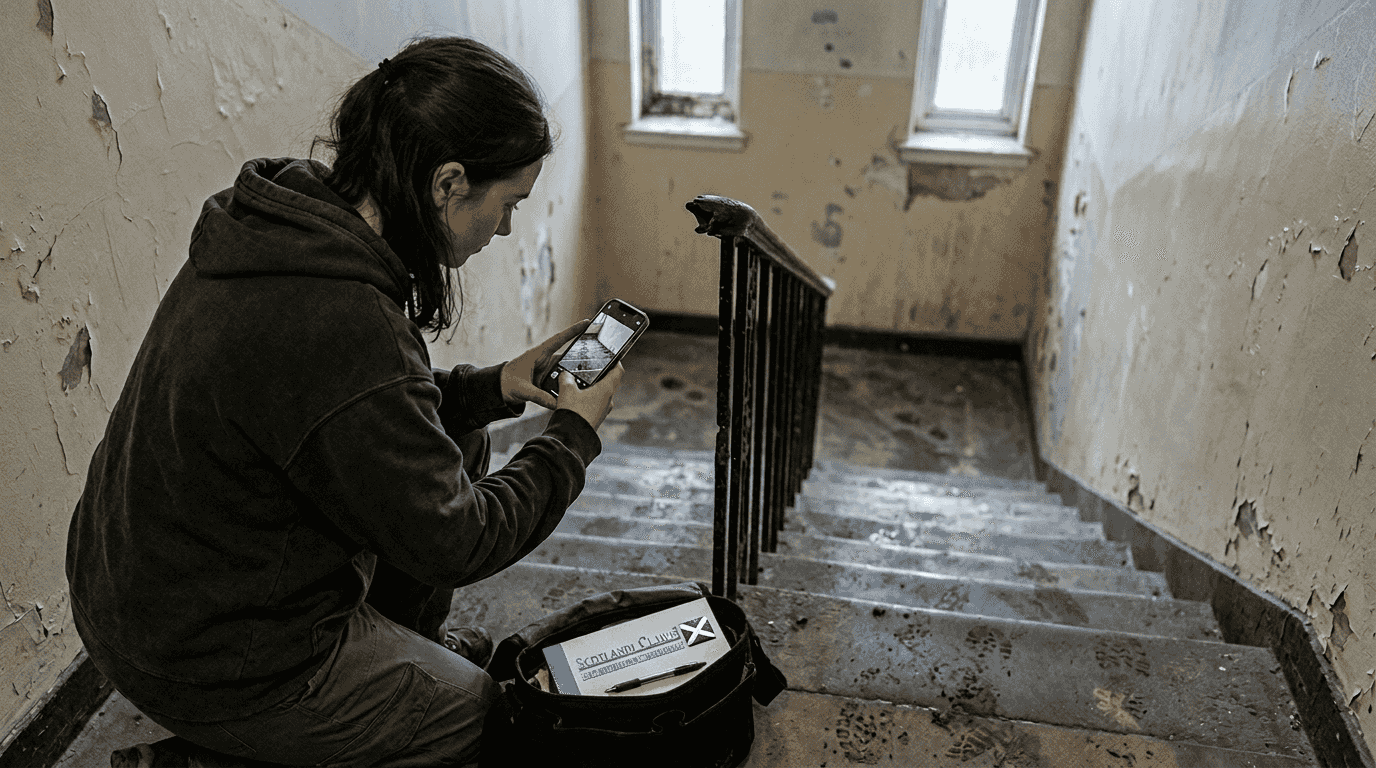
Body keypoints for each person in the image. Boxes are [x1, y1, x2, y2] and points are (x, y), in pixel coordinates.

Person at [68, 36, 622, 767]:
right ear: (449, 183)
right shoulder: (345, 320)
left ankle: (393, 658)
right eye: (508, 203)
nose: (508, 227)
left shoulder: (281, 229)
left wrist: (491, 387)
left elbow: (346, 412)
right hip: (208, 655)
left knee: (461, 439)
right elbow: (460, 540)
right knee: (476, 716)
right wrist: (572, 436)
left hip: (135, 591)